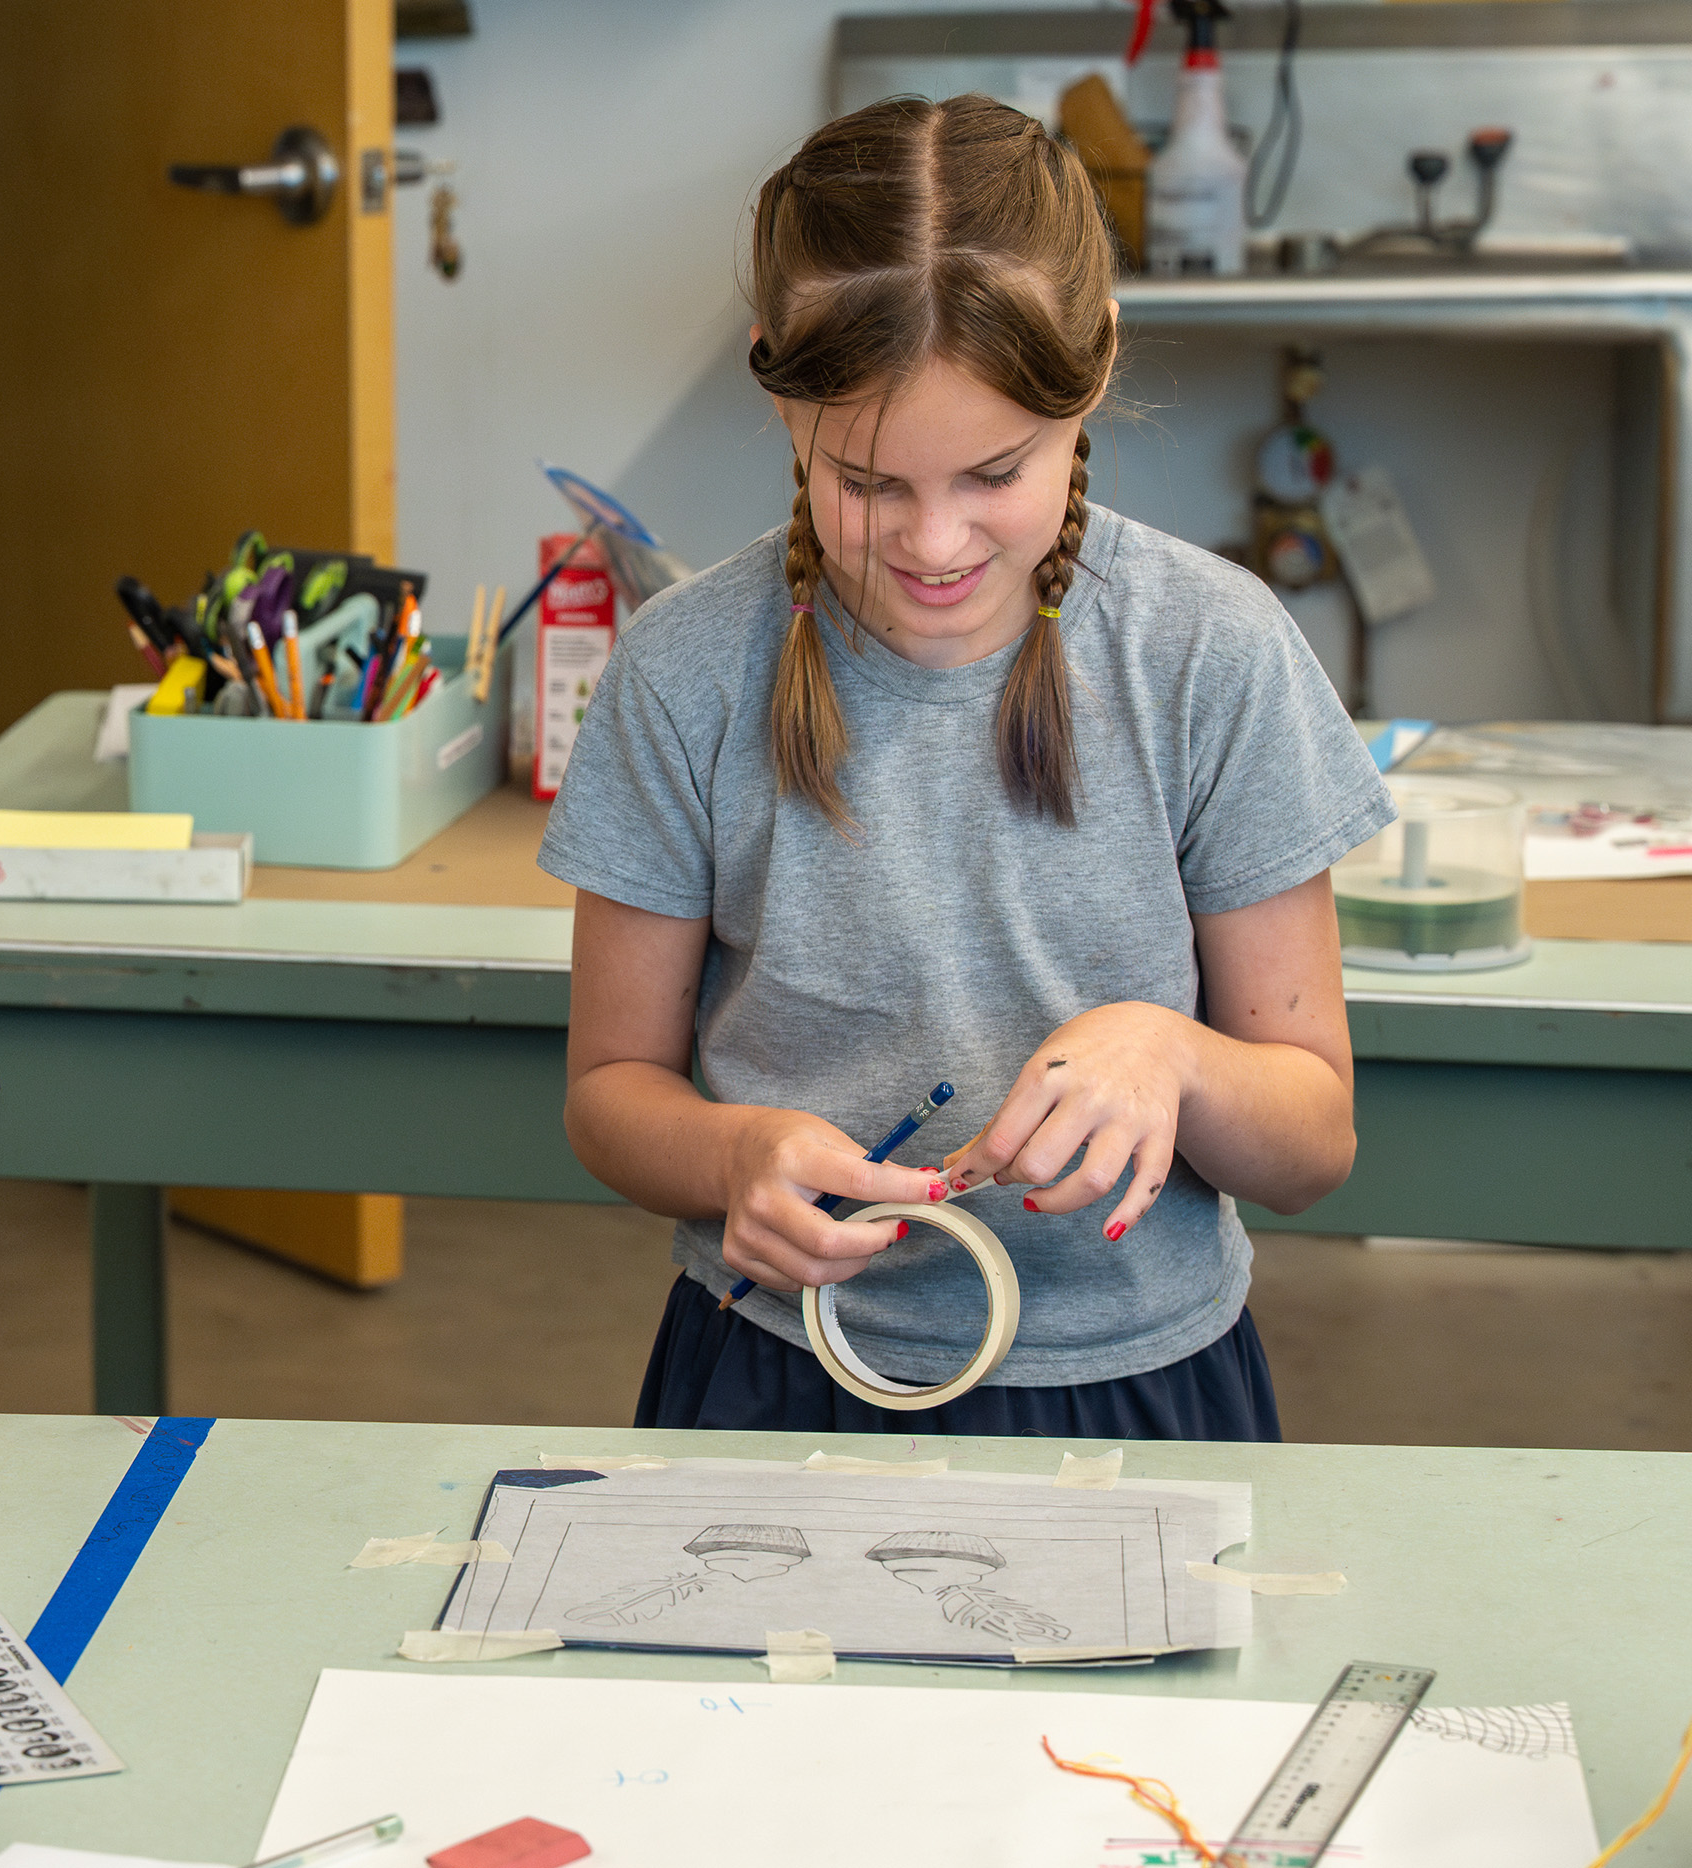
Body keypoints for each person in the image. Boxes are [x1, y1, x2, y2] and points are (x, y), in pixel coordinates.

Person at [543, 94, 1393, 1440]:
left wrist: (1174, 1058)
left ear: (1095, 369)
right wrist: (733, 1156)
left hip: (1136, 1388)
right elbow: (609, 1095)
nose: (934, 542)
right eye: (870, 483)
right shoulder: (686, 667)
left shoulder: (1210, 652)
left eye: (996, 473)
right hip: (775, 1376)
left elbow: (1313, 1142)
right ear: (778, 389)